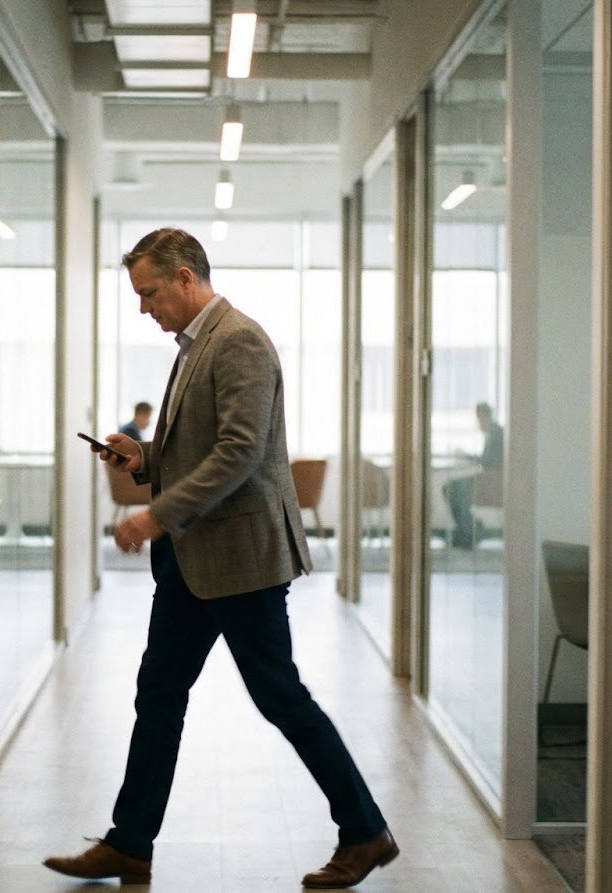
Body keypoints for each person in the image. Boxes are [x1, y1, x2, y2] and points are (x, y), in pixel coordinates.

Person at [44, 228, 396, 889]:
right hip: (193, 559)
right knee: (160, 693)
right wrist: (142, 456)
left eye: (149, 292)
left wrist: (155, 512)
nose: (144, 307)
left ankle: (365, 830)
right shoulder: (194, 346)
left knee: (279, 696)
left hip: (240, 559)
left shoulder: (239, 340)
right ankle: (129, 843)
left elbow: (238, 453)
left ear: (184, 278)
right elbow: (195, 447)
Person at [444, 401, 504, 549]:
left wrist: (467, 457)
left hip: (490, 481)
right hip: (488, 478)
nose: (478, 425)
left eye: (478, 420)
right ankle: (469, 529)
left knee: (452, 489)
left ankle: (468, 532)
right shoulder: (494, 432)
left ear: (484, 417)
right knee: (452, 489)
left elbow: (488, 460)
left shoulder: (496, 433)